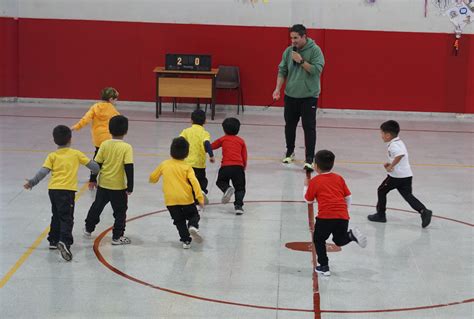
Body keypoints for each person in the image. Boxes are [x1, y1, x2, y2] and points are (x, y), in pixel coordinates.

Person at [24, 125, 99, 261]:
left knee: (56, 214)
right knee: (66, 217)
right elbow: (94, 167)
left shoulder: (52, 155)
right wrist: (99, 167)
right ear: (70, 139)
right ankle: (65, 241)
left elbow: (43, 172)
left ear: (54, 140)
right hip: (67, 191)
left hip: (53, 190)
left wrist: (32, 182)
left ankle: (53, 240)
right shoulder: (76, 154)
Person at [272, 24, 325, 172]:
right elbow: (282, 71)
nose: (293, 41)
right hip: (291, 96)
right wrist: (277, 89)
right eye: (291, 38)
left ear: (304, 37)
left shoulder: (315, 51)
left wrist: (301, 61)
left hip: (309, 97)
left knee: (309, 127)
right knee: (289, 125)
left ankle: (309, 158)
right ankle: (290, 152)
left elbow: (316, 71)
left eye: (295, 38)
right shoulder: (288, 51)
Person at [305, 150, 367, 276]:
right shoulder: (339, 178)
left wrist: (306, 186)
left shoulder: (315, 181)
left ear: (316, 166)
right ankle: (351, 236)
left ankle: (324, 266)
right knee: (339, 240)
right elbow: (348, 197)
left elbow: (308, 200)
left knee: (318, 239)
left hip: (325, 217)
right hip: (342, 216)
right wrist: (345, 211)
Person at [368, 120, 433, 228]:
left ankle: (380, 215)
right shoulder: (399, 142)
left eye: (382, 133)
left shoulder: (393, 146)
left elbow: (399, 155)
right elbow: (399, 155)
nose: (381, 136)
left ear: (388, 135)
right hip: (407, 175)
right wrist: (391, 163)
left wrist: (392, 166)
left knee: (381, 190)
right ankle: (423, 211)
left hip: (396, 176)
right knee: (408, 196)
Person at [83, 115, 134, 245]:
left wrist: (92, 179)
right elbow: (129, 167)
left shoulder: (104, 144)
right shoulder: (127, 147)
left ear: (109, 130)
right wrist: (130, 186)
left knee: (97, 207)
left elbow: (96, 164)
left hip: (104, 185)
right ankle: (117, 237)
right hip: (119, 187)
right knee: (120, 212)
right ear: (126, 131)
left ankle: (88, 229)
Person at [149, 137, 204, 249]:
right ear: (187, 153)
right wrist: (200, 198)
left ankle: (186, 241)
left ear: (171, 150)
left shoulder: (164, 164)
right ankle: (192, 226)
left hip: (171, 201)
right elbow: (195, 182)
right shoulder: (187, 167)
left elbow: (153, 177)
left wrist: (152, 180)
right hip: (186, 199)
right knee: (194, 215)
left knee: (179, 221)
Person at [71, 87, 120, 190]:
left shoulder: (95, 107)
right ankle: (109, 179)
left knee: (97, 158)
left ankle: (93, 180)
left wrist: (76, 127)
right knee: (110, 158)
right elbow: (119, 122)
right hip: (108, 138)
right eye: (116, 99)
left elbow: (86, 119)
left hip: (97, 138)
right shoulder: (112, 109)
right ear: (111, 99)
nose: (116, 101)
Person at [211, 117, 247, 215]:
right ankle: (238, 206)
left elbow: (211, 146)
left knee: (220, 181)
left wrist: (203, 146)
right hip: (238, 167)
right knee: (240, 188)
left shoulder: (223, 139)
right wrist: (243, 167)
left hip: (226, 166)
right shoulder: (241, 141)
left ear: (224, 129)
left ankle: (226, 188)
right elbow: (244, 156)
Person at [179, 109, 215, 205]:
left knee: (189, 181)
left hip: (187, 163)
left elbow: (179, 141)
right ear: (205, 121)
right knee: (201, 180)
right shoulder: (204, 133)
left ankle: (190, 197)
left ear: (191, 120)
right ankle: (202, 191)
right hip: (199, 164)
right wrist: (211, 155)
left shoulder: (186, 131)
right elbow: (207, 144)